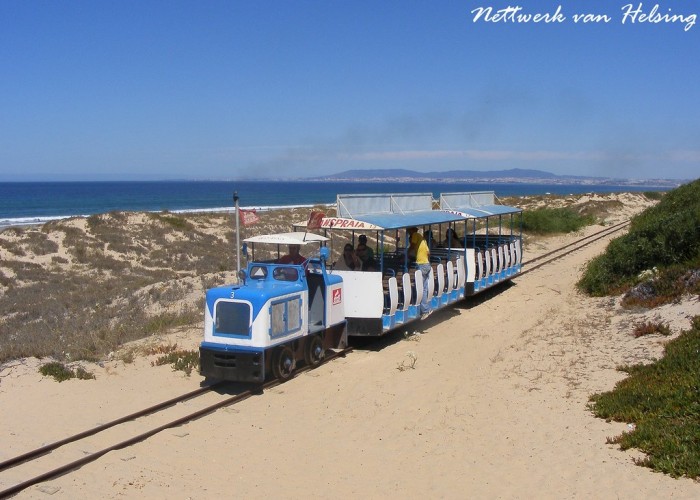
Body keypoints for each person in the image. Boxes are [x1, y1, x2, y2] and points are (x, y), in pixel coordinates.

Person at [412, 231, 432, 319]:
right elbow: (428, 253)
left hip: (421, 265)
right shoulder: (423, 240)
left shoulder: (415, 235)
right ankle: (426, 309)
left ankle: (425, 310)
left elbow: (411, 247)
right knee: (424, 288)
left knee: (421, 288)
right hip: (427, 264)